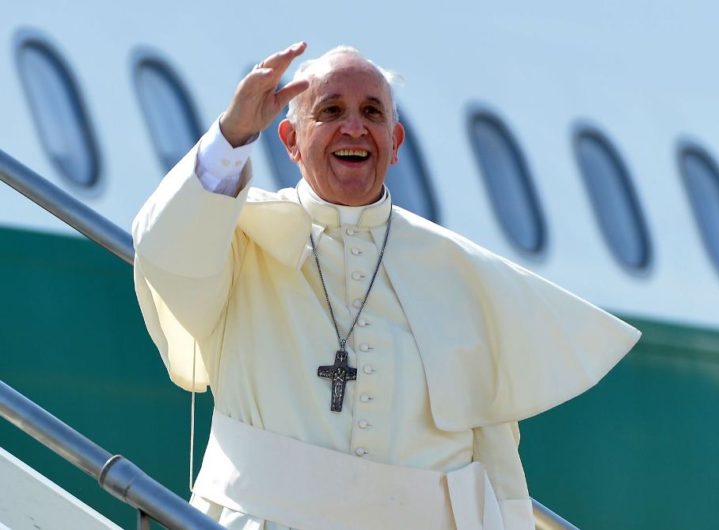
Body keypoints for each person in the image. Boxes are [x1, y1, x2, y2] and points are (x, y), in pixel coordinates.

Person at [132, 42, 641, 530]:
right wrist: (232, 136)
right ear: (290, 140)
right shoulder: (240, 239)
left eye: (372, 113)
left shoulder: (458, 272)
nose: (354, 127)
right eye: (330, 111)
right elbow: (165, 249)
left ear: (394, 145)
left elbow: (493, 465)